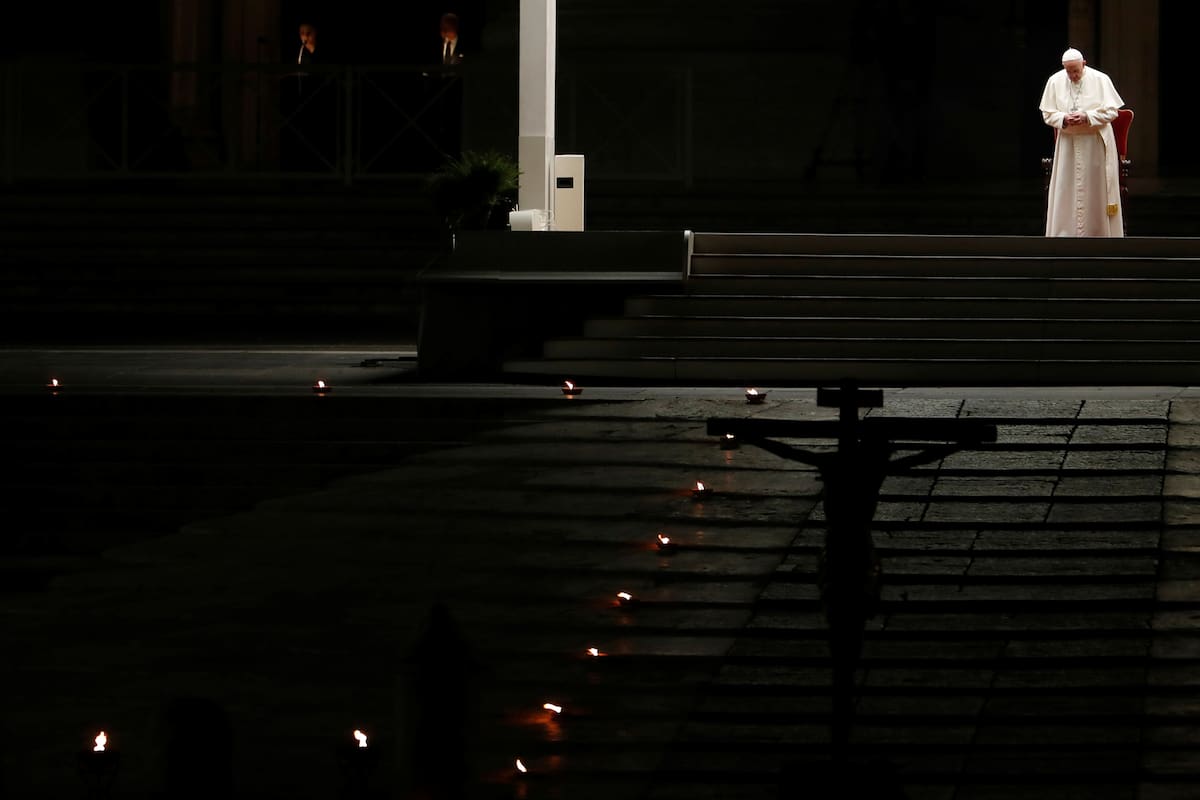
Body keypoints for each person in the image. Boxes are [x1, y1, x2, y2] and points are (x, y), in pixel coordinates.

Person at [1039, 47, 1125, 237]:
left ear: (1084, 63)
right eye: (1068, 71)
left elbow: (1113, 112)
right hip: (1068, 144)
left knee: (1096, 191)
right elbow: (1047, 114)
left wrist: (1088, 116)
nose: (1072, 76)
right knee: (1066, 189)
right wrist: (1063, 118)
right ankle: (1065, 234)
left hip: (1095, 143)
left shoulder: (1101, 80)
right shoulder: (1055, 81)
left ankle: (1098, 233)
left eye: (1076, 71)